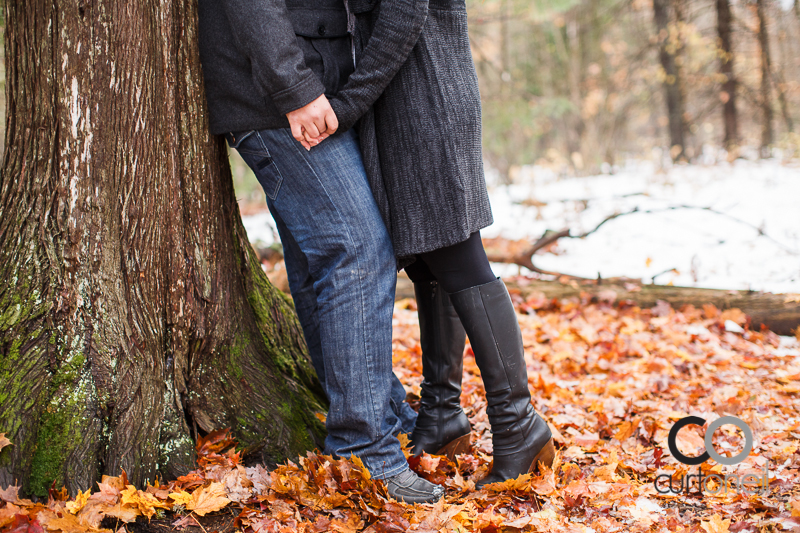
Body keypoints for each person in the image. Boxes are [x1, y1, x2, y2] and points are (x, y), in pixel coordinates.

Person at [196, 0, 444, 503]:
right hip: (275, 93)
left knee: (319, 264)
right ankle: (364, 451)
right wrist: (295, 90)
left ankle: (379, 413)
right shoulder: (288, 91)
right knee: (356, 251)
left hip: (304, 85)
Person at [324, 0, 556, 489]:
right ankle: (441, 413)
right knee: (429, 262)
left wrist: (347, 104)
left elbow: (404, 15)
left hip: (426, 98)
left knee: (459, 258)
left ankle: (518, 425)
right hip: (402, 104)